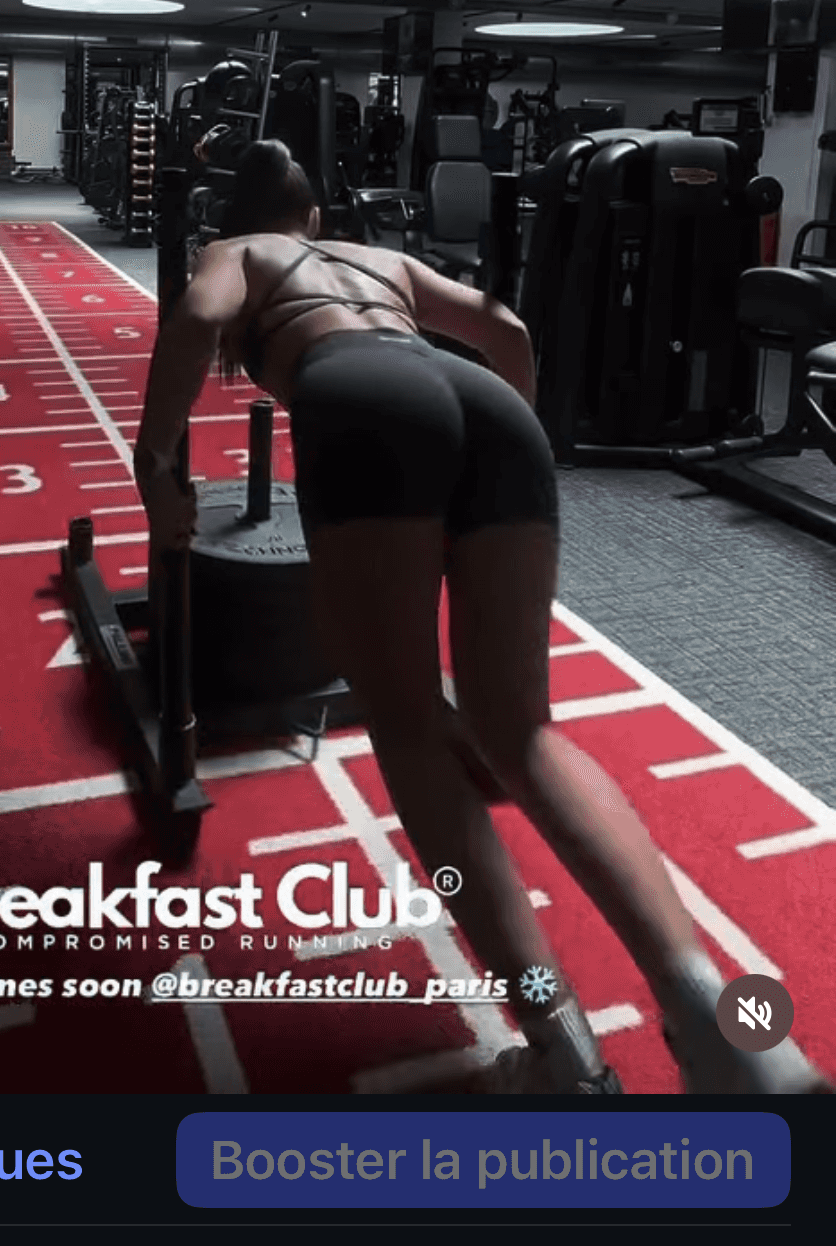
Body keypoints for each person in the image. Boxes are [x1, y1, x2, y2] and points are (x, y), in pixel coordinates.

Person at [134, 138, 827, 1095]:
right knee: (525, 729)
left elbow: (196, 318)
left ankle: (560, 1053)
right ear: (320, 220)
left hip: (360, 396)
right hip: (490, 409)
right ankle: (733, 1033)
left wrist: (155, 467)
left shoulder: (238, 253)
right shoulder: (383, 261)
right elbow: (507, 330)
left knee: (409, 726)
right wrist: (496, 455)